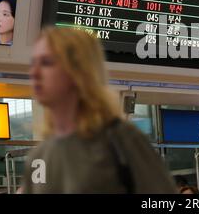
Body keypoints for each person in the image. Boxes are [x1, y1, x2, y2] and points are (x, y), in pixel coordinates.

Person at [22, 26, 176, 193]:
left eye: (46, 63)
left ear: (78, 71)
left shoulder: (121, 141)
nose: (34, 73)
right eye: (33, 63)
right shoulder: (38, 156)